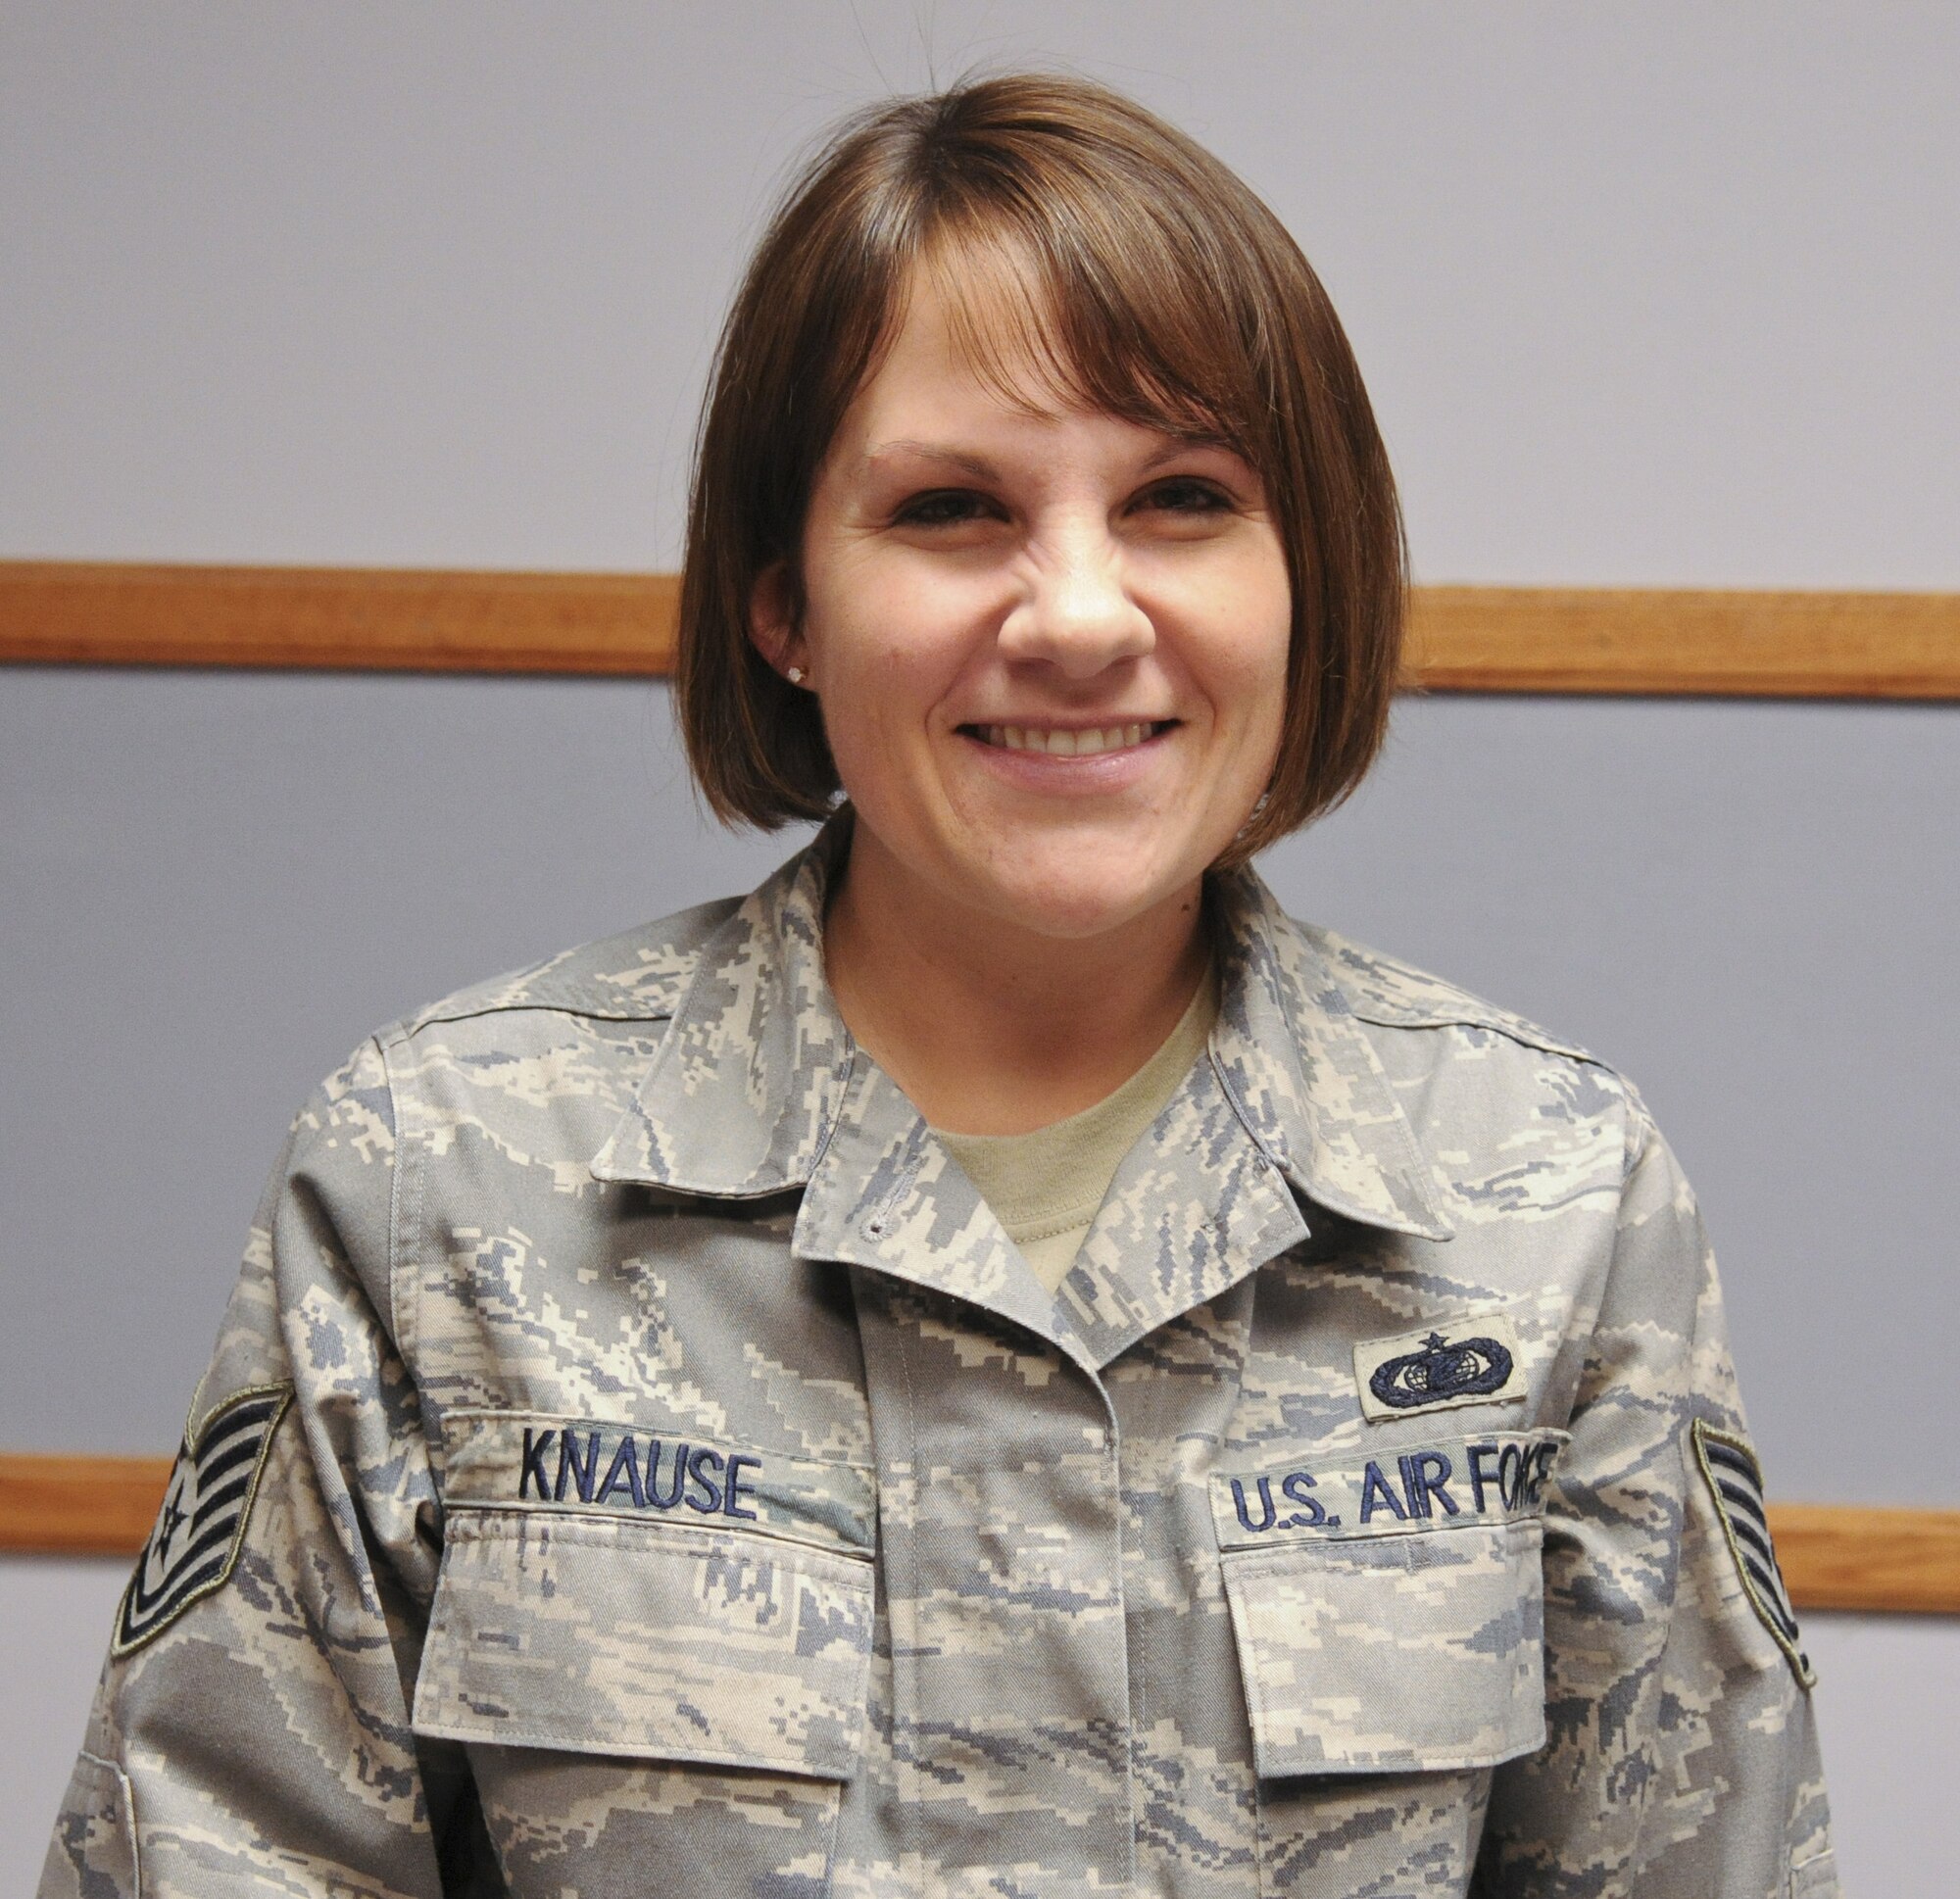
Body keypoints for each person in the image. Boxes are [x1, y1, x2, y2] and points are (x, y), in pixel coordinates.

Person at [43, 73, 1835, 1899]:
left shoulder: (1538, 1194)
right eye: (955, 507)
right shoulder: (446, 1168)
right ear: (784, 605)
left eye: (1184, 498)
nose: (1075, 614)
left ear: (1312, 580)